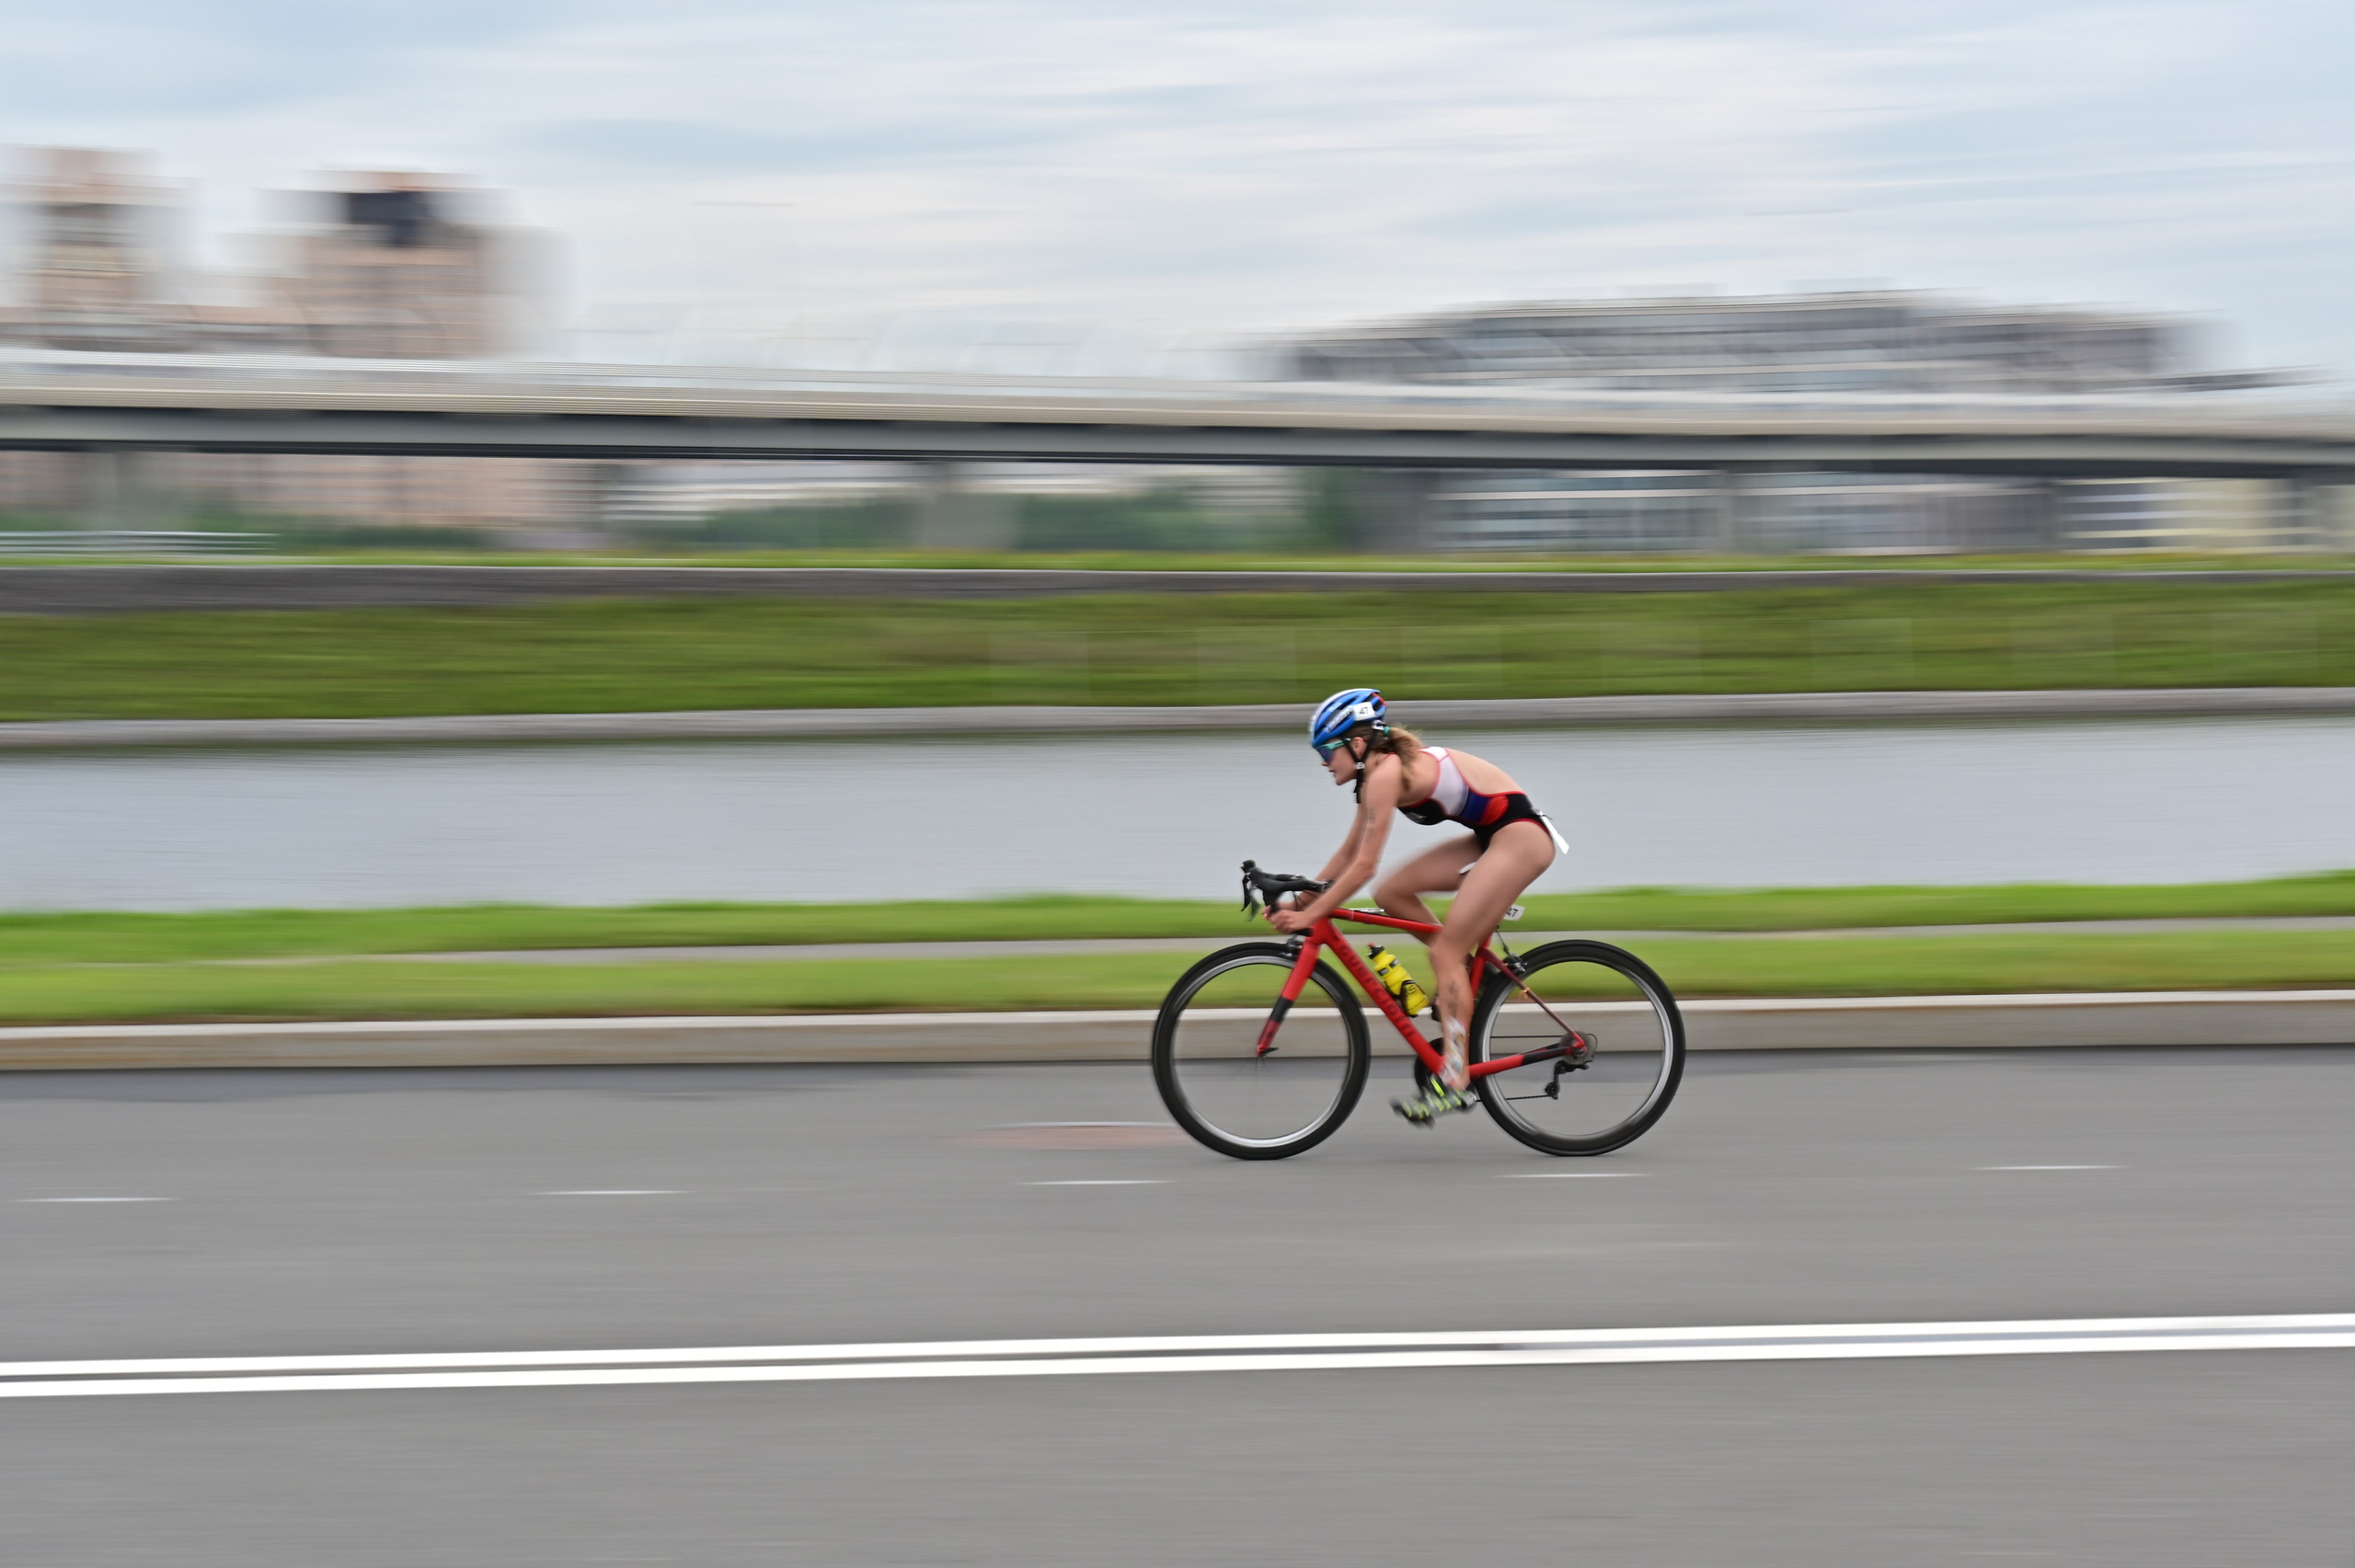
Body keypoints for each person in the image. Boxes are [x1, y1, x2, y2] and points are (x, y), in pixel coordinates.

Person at [1265, 687, 1568, 1124]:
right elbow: (1349, 852)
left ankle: (1456, 1079)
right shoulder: (1374, 778)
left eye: (1327, 749)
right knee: (1391, 893)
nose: (1322, 761)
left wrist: (1312, 914)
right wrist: (1300, 901)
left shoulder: (1385, 772)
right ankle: (1465, 977)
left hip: (1520, 837)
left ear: (1356, 743)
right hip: (1491, 835)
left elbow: (1364, 864)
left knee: (1440, 950)